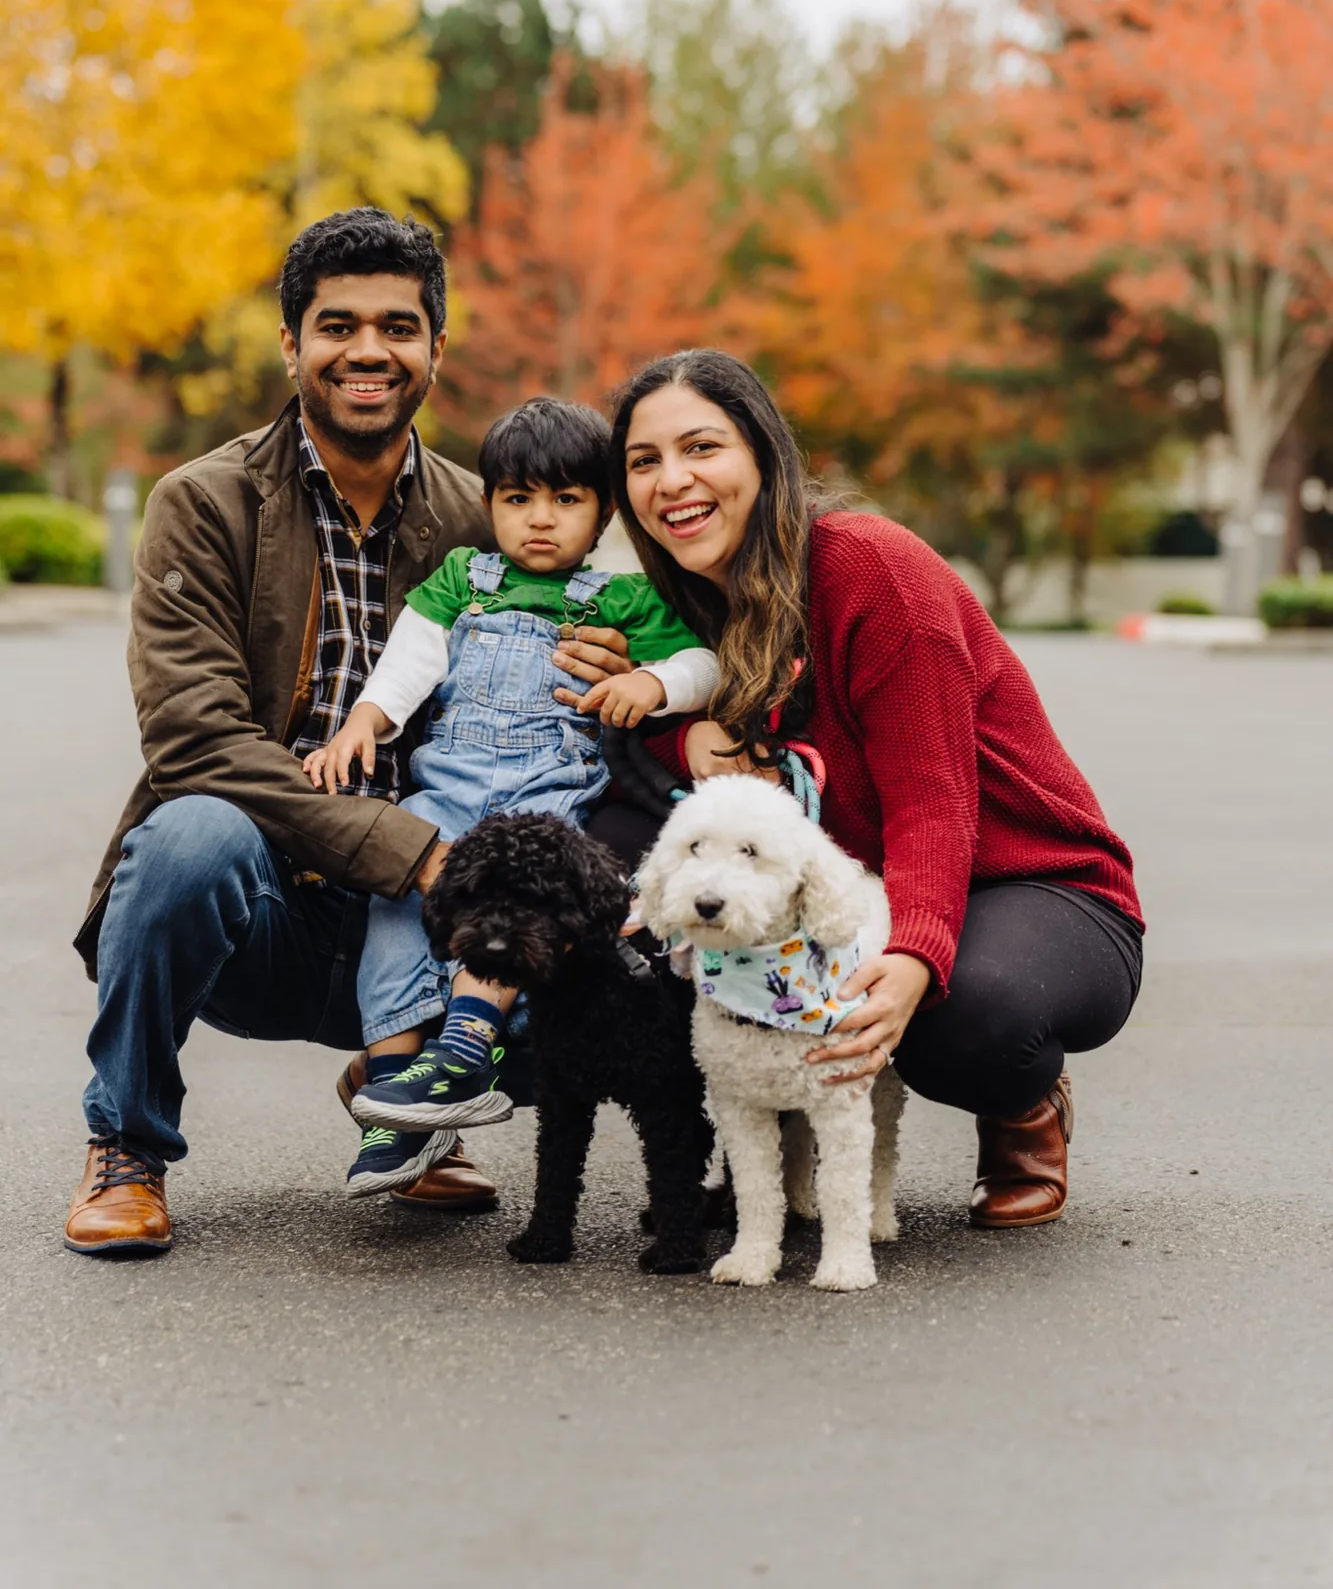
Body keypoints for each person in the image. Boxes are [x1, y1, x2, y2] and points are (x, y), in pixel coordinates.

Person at [63, 209, 637, 1257]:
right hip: (272, 905)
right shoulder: (202, 503)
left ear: (433, 350)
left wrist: (619, 675)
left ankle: (411, 1087)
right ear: (292, 344)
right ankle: (126, 1141)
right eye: (336, 325)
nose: (367, 349)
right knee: (192, 833)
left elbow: (601, 678)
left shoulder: (492, 517)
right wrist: (411, 854)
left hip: (434, 909)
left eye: (397, 326)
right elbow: (192, 737)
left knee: (590, 884)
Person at [612, 349, 1144, 1229]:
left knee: (960, 1012)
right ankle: (748, 1154)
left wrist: (914, 954)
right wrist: (682, 732)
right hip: (862, 886)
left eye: (701, 447)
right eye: (644, 461)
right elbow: (649, 752)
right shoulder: (679, 603)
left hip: (1027, 881)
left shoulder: (871, 571)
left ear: (762, 456)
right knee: (627, 871)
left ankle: (1022, 1106)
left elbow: (932, 798)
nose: (674, 480)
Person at [302, 396, 718, 1195]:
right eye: (517, 498)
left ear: (601, 514)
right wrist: (366, 719)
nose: (539, 519)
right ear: (488, 502)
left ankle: (464, 1044)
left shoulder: (620, 600)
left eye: (566, 500)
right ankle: (393, 1096)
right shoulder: (467, 579)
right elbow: (412, 656)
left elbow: (704, 665)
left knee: (519, 897)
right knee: (396, 887)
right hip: (445, 793)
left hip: (548, 797)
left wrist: (649, 680)